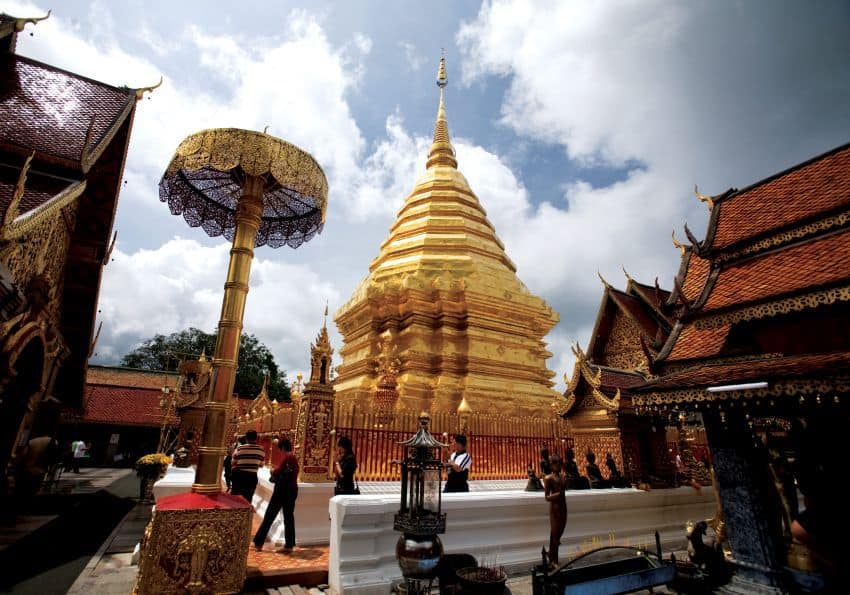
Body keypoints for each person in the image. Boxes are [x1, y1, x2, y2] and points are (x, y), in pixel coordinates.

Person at [253, 437, 299, 552]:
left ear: (283, 447)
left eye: (280, 449)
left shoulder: (288, 457)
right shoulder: (293, 457)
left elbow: (278, 472)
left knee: (269, 516)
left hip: (282, 491)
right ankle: (289, 545)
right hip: (291, 490)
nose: (280, 452)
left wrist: (273, 471)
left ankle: (258, 543)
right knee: (288, 518)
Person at [544, 453, 568, 567]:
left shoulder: (563, 477)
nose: (560, 465)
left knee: (559, 533)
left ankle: (553, 557)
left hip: (563, 506)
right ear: (552, 464)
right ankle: (552, 560)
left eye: (560, 463)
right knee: (555, 534)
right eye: (557, 463)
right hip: (555, 507)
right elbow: (547, 497)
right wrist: (558, 495)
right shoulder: (548, 478)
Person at [230, 431, 265, 505]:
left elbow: (233, 462)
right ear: (256, 438)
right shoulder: (261, 450)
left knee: (237, 499)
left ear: (246, 438)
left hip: (240, 476)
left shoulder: (240, 448)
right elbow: (262, 465)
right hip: (252, 477)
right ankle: (245, 515)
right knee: (248, 499)